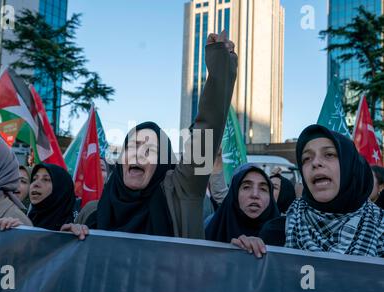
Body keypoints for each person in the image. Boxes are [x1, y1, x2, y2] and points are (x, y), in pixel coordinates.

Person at [66, 31, 238, 240]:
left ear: (162, 164)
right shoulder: (91, 212)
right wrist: (68, 239)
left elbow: (207, 130)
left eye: (150, 150)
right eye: (133, 146)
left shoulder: (181, 197)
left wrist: (221, 63)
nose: (139, 154)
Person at [285, 124, 383, 257]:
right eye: (307, 158)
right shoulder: (276, 231)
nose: (315, 163)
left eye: (329, 154)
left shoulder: (379, 226)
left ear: (349, 165)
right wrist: (250, 252)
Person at [205, 164, 279, 258]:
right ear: (234, 193)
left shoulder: (287, 233)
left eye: (263, 189)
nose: (255, 195)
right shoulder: (213, 228)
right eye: (246, 187)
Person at [27, 163, 76, 231]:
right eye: (34, 179)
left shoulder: (71, 230)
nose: (35, 184)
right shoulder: (26, 221)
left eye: (46, 179)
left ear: (60, 188)